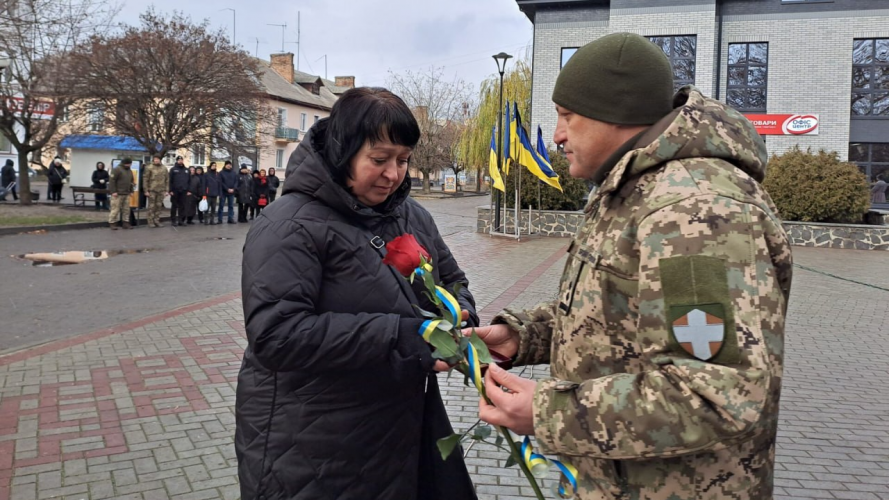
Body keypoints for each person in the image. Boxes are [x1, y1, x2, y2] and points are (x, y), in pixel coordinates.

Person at [466, 33, 793, 500]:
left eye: (566, 116)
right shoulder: (634, 191)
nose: (557, 135)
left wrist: (548, 413)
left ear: (612, 113)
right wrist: (525, 335)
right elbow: (616, 319)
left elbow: (711, 394)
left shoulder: (691, 211)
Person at [236, 87, 478, 500]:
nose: (393, 174)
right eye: (379, 160)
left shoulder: (410, 215)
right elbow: (277, 335)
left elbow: (452, 280)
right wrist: (409, 336)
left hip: (401, 429)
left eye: (403, 160)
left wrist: (458, 317)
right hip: (315, 443)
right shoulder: (289, 225)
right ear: (342, 152)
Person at [108, 158, 135, 230]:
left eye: (130, 164)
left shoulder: (129, 171)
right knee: (115, 209)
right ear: (124, 163)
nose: (129, 165)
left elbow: (131, 182)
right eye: (128, 164)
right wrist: (113, 191)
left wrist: (131, 191)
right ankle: (112, 223)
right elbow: (112, 181)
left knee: (126, 209)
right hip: (118, 193)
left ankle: (126, 223)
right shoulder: (116, 169)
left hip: (126, 193)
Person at [143, 155, 170, 228]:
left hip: (161, 190)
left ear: (160, 160)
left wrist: (167, 190)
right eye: (155, 159)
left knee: (158, 206)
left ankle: (157, 220)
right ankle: (150, 221)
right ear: (153, 160)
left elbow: (167, 180)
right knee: (151, 206)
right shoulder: (149, 167)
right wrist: (146, 190)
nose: (156, 160)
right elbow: (145, 180)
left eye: (157, 159)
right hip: (152, 190)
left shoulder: (164, 168)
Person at [168, 156, 189, 226]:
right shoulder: (173, 169)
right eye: (179, 160)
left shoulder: (186, 170)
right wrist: (170, 190)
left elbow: (189, 181)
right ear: (177, 161)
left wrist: (188, 190)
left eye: (181, 160)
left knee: (182, 206)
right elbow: (170, 181)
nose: (180, 161)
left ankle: (181, 220)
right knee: (174, 206)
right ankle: (173, 220)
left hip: (183, 190)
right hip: (175, 191)